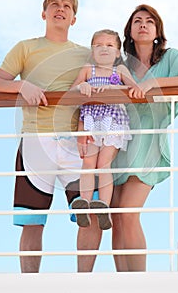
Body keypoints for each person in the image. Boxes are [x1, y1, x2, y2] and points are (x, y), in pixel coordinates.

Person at [77, 4, 178, 272]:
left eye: (149, 21)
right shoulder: (119, 63)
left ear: (157, 30)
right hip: (118, 141)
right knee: (118, 217)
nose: (143, 25)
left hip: (148, 144)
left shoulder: (170, 57)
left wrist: (151, 85)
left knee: (129, 213)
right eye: (137, 21)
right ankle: (125, 282)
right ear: (129, 32)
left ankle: (138, 283)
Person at [0, 0, 91, 273]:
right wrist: (22, 85)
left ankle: (85, 284)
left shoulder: (86, 55)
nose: (60, 8)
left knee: (89, 215)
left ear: (74, 18)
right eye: (55, 4)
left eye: (67, 6)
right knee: (32, 221)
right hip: (35, 141)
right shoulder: (25, 48)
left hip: (76, 143)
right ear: (44, 13)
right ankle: (29, 286)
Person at [70, 29, 140, 231]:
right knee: (88, 162)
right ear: (93, 51)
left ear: (118, 52)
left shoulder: (120, 72)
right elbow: (71, 91)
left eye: (109, 45)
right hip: (91, 120)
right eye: (99, 45)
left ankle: (104, 207)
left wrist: (114, 90)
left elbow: (134, 90)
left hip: (113, 121)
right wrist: (81, 86)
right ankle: (83, 204)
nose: (104, 48)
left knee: (104, 163)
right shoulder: (87, 70)